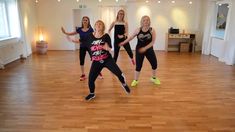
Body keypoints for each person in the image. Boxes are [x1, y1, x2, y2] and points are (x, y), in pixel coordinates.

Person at [67, 20, 130, 101]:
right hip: (96, 61)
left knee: (119, 74)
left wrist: (106, 47)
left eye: (100, 24)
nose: (99, 25)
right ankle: (92, 94)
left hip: (107, 59)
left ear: (103, 27)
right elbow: (81, 41)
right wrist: (71, 40)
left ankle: (124, 84)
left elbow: (110, 48)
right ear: (95, 26)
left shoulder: (106, 36)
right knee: (91, 79)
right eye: (97, 24)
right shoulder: (90, 36)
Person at [119, 15, 160, 87]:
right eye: (144, 20)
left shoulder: (152, 30)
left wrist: (145, 48)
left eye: (147, 20)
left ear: (149, 21)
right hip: (139, 50)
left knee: (154, 64)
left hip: (149, 49)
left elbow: (152, 42)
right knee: (138, 66)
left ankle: (153, 78)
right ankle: (135, 80)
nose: (146, 21)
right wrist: (123, 42)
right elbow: (131, 37)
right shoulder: (138, 30)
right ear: (141, 22)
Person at [61, 16, 103, 81]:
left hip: (89, 46)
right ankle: (83, 74)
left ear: (88, 21)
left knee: (95, 59)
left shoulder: (91, 29)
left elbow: (95, 36)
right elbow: (72, 33)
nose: (85, 21)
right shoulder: (79, 29)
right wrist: (65, 33)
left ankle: (98, 72)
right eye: (84, 20)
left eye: (86, 20)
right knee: (81, 60)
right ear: (82, 21)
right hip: (82, 46)